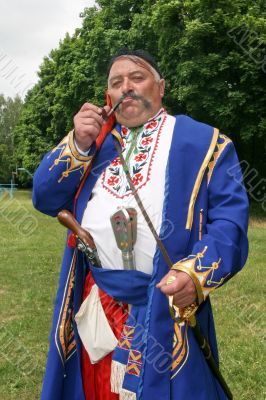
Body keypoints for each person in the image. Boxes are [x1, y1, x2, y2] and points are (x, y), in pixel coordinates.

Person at [33, 49, 249, 400]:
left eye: (137, 77)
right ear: (109, 97)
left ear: (160, 87)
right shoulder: (95, 144)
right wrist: (77, 143)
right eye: (116, 83)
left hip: (166, 305)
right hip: (96, 300)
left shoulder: (204, 142)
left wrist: (194, 275)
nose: (126, 87)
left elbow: (230, 223)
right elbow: (44, 197)